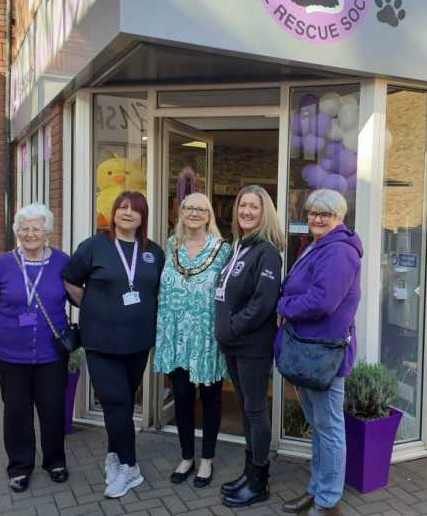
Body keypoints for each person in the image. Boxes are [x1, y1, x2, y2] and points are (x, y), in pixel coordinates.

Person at [61, 191, 165, 498]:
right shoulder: (93, 247)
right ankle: (131, 469)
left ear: (143, 217)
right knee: (116, 402)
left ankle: (114, 456)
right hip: (101, 341)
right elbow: (69, 279)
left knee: (121, 404)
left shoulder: (153, 252)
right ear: (113, 213)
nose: (128, 213)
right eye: (122, 208)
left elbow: (155, 290)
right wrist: (91, 305)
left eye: (135, 210)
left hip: (138, 342)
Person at [274, 189, 362, 516]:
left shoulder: (338, 251)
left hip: (323, 354)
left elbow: (323, 300)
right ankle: (316, 491)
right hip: (308, 351)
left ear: (339, 217)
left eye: (325, 214)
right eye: (313, 212)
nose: (317, 218)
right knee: (320, 427)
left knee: (329, 428)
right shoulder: (318, 246)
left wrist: (284, 306)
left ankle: (328, 502)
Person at [0, 202, 70, 493]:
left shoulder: (62, 262)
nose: (30, 234)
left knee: (53, 410)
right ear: (16, 232)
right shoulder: (1, 264)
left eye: (36, 228)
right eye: (24, 228)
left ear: (48, 232)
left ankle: (55, 462)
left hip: (52, 355)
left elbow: (79, 298)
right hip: (10, 356)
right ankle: (19, 466)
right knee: (17, 412)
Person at [153, 193, 231, 488]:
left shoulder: (223, 251)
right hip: (177, 338)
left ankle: (207, 460)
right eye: (189, 208)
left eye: (201, 209)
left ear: (210, 215)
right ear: (180, 213)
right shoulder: (169, 248)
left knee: (211, 399)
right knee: (183, 399)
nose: (194, 213)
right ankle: (187, 457)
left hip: (207, 338)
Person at [214, 185, 284, 508]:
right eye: (243, 205)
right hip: (233, 344)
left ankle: (259, 482)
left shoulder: (267, 251)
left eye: (253, 207)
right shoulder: (239, 246)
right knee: (246, 409)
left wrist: (232, 328)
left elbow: (263, 303)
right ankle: (249, 471)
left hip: (251, 345)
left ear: (264, 212)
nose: (246, 211)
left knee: (255, 411)